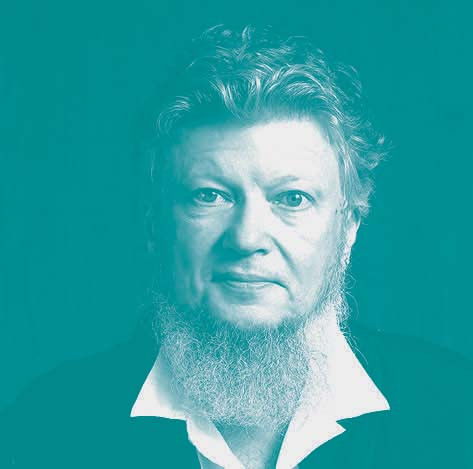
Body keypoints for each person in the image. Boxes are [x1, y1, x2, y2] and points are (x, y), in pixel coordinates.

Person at [1, 25, 471, 469]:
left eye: (292, 199)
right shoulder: (49, 426)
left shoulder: (457, 413)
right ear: (154, 225)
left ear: (348, 230)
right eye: (210, 196)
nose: (246, 239)